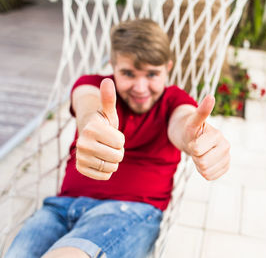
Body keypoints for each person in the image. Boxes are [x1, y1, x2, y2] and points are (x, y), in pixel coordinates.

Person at [5, 19, 230, 258]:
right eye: (128, 73)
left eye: (152, 74)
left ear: (168, 68)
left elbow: (183, 123)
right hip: (59, 209)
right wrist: (94, 123)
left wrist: (197, 137)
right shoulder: (94, 87)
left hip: (129, 211)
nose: (141, 88)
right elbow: (88, 108)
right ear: (112, 66)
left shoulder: (174, 100)